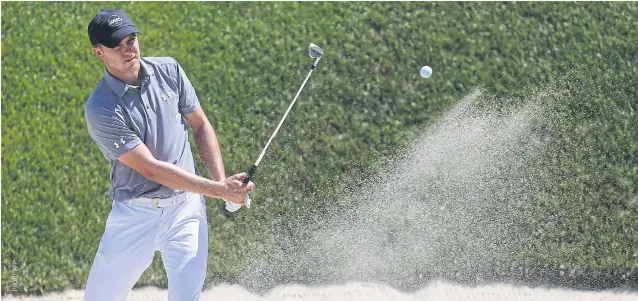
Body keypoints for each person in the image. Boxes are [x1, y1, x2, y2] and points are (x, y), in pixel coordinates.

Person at [83, 8, 254, 301]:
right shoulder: (101, 107)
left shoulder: (169, 70)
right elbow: (151, 169)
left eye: (131, 39)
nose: (128, 49)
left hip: (186, 210)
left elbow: (199, 125)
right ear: (99, 53)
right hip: (136, 215)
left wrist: (222, 184)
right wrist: (218, 190)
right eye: (117, 45)